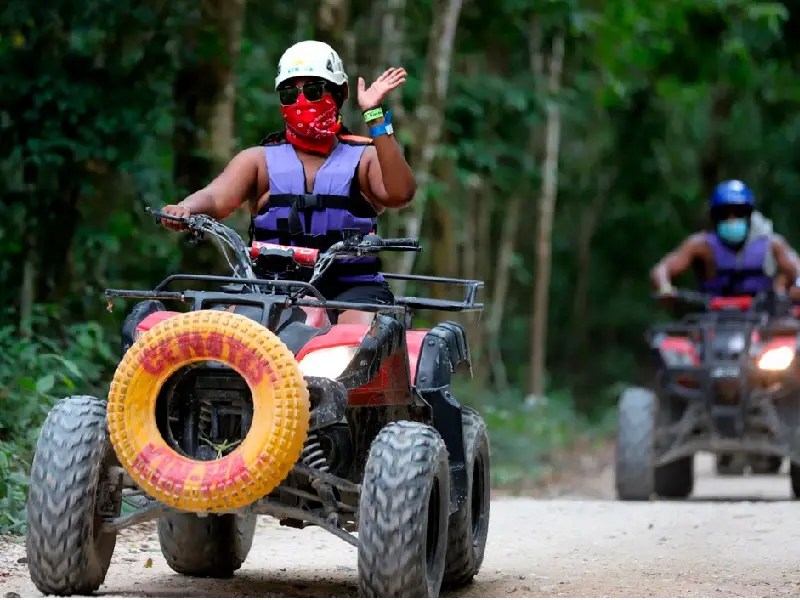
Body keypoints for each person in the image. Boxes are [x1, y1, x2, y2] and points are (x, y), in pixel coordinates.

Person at [159, 40, 416, 325]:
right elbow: (216, 197)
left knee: (359, 345)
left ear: (339, 93)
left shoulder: (364, 158)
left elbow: (400, 193)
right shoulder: (257, 160)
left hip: (352, 289)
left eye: (314, 91)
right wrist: (185, 208)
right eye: (290, 94)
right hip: (267, 286)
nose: (302, 101)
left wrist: (374, 115)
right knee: (219, 340)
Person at [650, 179, 800, 302]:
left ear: (748, 215)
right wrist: (665, 287)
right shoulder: (700, 245)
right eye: (724, 214)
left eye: (738, 213)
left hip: (763, 320)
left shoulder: (772, 244)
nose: (732, 220)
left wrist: (798, 286)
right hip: (712, 321)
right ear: (715, 218)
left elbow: (797, 268)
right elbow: (662, 269)